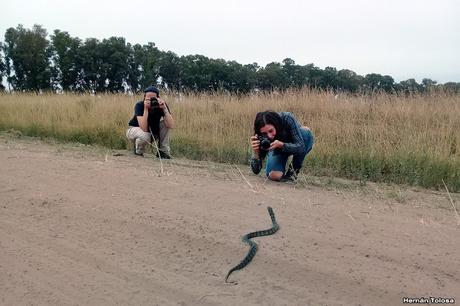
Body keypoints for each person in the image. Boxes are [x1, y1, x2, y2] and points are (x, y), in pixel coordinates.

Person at [249, 111, 314, 181]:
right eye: (264, 133)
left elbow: (301, 148)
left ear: (275, 125)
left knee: (305, 133)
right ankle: (281, 166)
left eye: (271, 131)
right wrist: (255, 152)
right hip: (277, 150)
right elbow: (256, 171)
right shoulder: (259, 135)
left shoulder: (286, 118)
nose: (269, 136)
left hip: (294, 143)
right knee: (274, 175)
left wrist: (282, 145)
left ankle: (293, 172)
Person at [126, 86, 175, 158]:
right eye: (148, 99)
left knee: (165, 124)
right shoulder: (139, 105)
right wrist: (146, 109)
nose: (151, 101)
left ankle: (163, 152)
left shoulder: (161, 106)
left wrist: (164, 109)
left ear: (158, 98)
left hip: (151, 133)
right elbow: (144, 128)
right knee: (145, 135)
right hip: (135, 130)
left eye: (153, 99)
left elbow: (171, 125)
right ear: (144, 98)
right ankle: (138, 150)